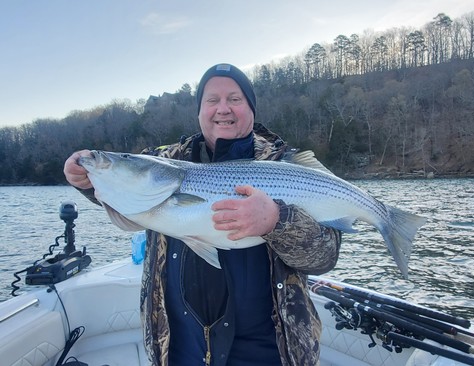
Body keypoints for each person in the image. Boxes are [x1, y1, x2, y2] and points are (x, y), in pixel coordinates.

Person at [64, 63, 342, 366]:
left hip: (268, 352)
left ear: (251, 108)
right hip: (180, 351)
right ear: (199, 111)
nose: (223, 109)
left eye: (235, 99)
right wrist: (88, 183)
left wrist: (277, 219)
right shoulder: (164, 161)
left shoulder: (288, 164)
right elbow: (131, 190)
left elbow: (323, 257)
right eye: (212, 100)